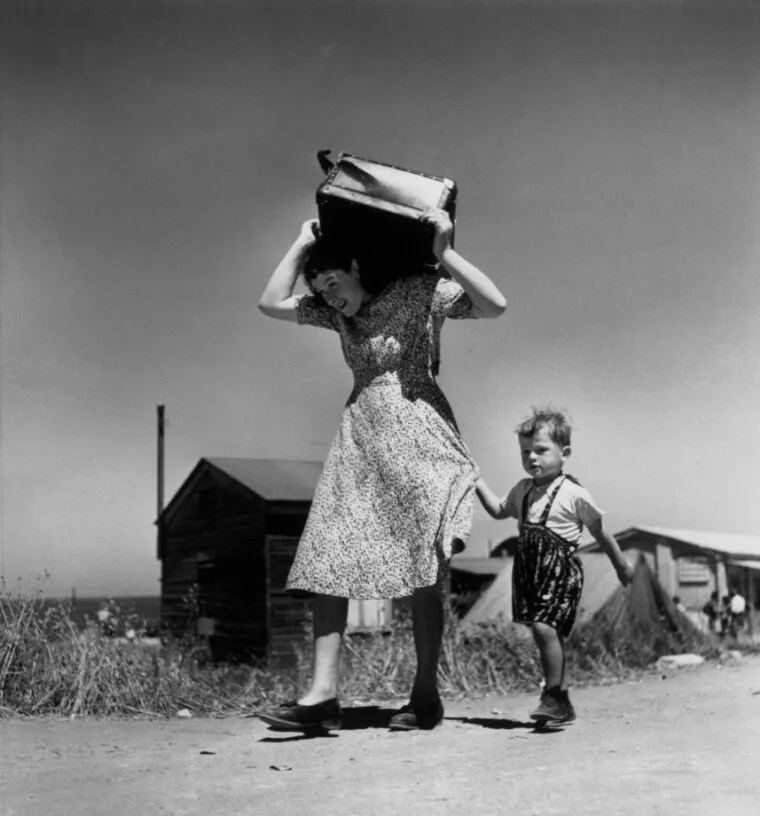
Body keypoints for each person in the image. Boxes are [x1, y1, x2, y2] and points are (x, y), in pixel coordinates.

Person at [257, 209, 507, 732]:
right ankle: (322, 695)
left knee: (423, 571)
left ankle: (424, 695)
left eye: (332, 282)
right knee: (328, 555)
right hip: (360, 443)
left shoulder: (420, 291)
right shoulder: (337, 316)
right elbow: (271, 302)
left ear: (355, 265)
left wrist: (445, 255)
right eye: (319, 289)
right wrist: (303, 242)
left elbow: (494, 305)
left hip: (419, 439)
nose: (327, 295)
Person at [475, 407, 634, 726]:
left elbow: (601, 533)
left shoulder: (574, 493)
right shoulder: (522, 489)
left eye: (541, 450)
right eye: (525, 452)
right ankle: (560, 700)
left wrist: (620, 566)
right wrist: (476, 480)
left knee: (545, 628)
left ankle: (555, 697)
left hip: (560, 571)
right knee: (547, 634)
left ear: (565, 453)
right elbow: (496, 510)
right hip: (530, 572)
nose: (532, 457)